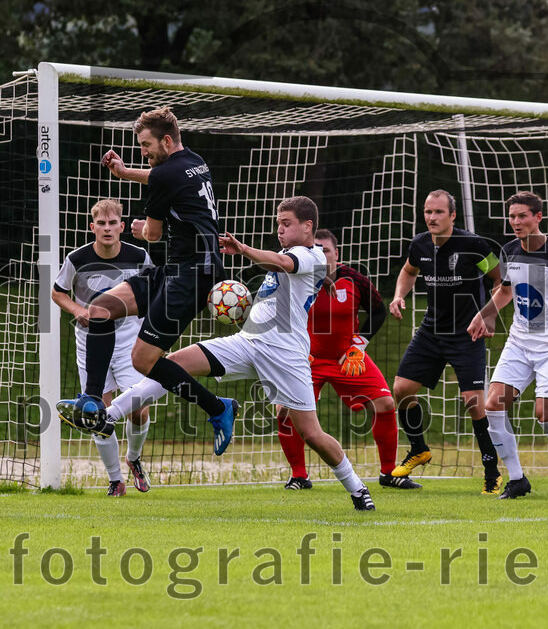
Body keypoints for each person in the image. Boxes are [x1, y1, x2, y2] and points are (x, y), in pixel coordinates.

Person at [92, 196, 377, 511]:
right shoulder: (292, 255)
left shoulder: (311, 255)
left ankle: (358, 488)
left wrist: (243, 249)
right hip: (248, 342)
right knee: (172, 364)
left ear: (307, 226)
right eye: (278, 223)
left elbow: (286, 264)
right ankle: (107, 415)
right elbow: (284, 273)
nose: (280, 229)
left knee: (311, 433)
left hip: (285, 355)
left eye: (287, 224)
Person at [56, 107, 237, 454]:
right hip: (179, 268)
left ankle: (218, 408)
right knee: (100, 309)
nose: (143, 152)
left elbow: (152, 232)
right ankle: (92, 401)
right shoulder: (194, 161)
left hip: (192, 276)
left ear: (166, 141)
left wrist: (141, 230)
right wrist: (125, 173)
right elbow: (163, 177)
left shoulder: (164, 175)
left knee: (143, 360)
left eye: (146, 145)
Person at [467, 191, 548, 500]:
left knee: (544, 414)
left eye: (522, 216)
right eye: (512, 217)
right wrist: (484, 315)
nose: (516, 222)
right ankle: (518, 479)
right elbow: (505, 291)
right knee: (492, 405)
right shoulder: (509, 251)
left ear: (538, 217)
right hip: (519, 342)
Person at [278, 229, 416, 491]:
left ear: (336, 253)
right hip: (306, 360)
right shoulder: (295, 278)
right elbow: (279, 313)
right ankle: (299, 476)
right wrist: (295, 347)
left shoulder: (355, 279)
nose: (319, 254)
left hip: (346, 358)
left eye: (325, 249)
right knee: (284, 411)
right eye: (314, 249)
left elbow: (377, 311)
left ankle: (388, 473)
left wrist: (358, 346)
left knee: (385, 403)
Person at [388, 189, 504, 494]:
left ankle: (492, 471)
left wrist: (488, 314)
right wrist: (400, 295)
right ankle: (419, 449)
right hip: (431, 331)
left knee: (474, 403)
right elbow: (408, 270)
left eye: (438, 212)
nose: (432, 217)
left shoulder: (474, 246)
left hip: (467, 334)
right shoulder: (420, 243)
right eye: (428, 212)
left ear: (453, 215)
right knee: (401, 389)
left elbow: (500, 279)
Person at [51, 200, 154, 496]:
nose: (107, 229)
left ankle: (134, 458)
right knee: (97, 410)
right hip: (90, 342)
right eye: (101, 223)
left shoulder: (139, 256)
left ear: (122, 226)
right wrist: (76, 310)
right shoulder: (77, 258)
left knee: (140, 409)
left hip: (127, 341)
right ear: (92, 226)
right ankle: (115, 480)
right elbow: (59, 292)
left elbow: (153, 290)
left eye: (113, 223)